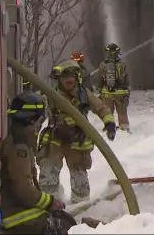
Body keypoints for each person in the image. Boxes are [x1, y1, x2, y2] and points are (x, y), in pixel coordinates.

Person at [0, 92, 75, 234]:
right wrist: (49, 202)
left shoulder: (15, 139)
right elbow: (23, 188)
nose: (40, 125)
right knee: (62, 226)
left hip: (11, 209)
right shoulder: (19, 147)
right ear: (31, 120)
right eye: (40, 121)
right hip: (13, 214)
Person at [38, 60, 116, 204]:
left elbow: (101, 108)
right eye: (65, 76)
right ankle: (49, 204)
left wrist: (109, 122)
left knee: (80, 178)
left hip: (78, 141)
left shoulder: (84, 94)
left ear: (77, 77)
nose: (69, 79)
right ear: (59, 79)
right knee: (48, 173)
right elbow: (37, 114)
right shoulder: (50, 94)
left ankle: (80, 205)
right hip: (56, 139)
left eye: (72, 76)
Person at [98, 43, 131, 131]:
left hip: (107, 92)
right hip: (121, 93)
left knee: (108, 112)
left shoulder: (102, 65)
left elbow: (100, 79)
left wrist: (100, 91)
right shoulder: (123, 64)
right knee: (122, 112)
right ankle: (124, 127)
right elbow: (127, 79)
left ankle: (109, 127)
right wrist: (127, 90)